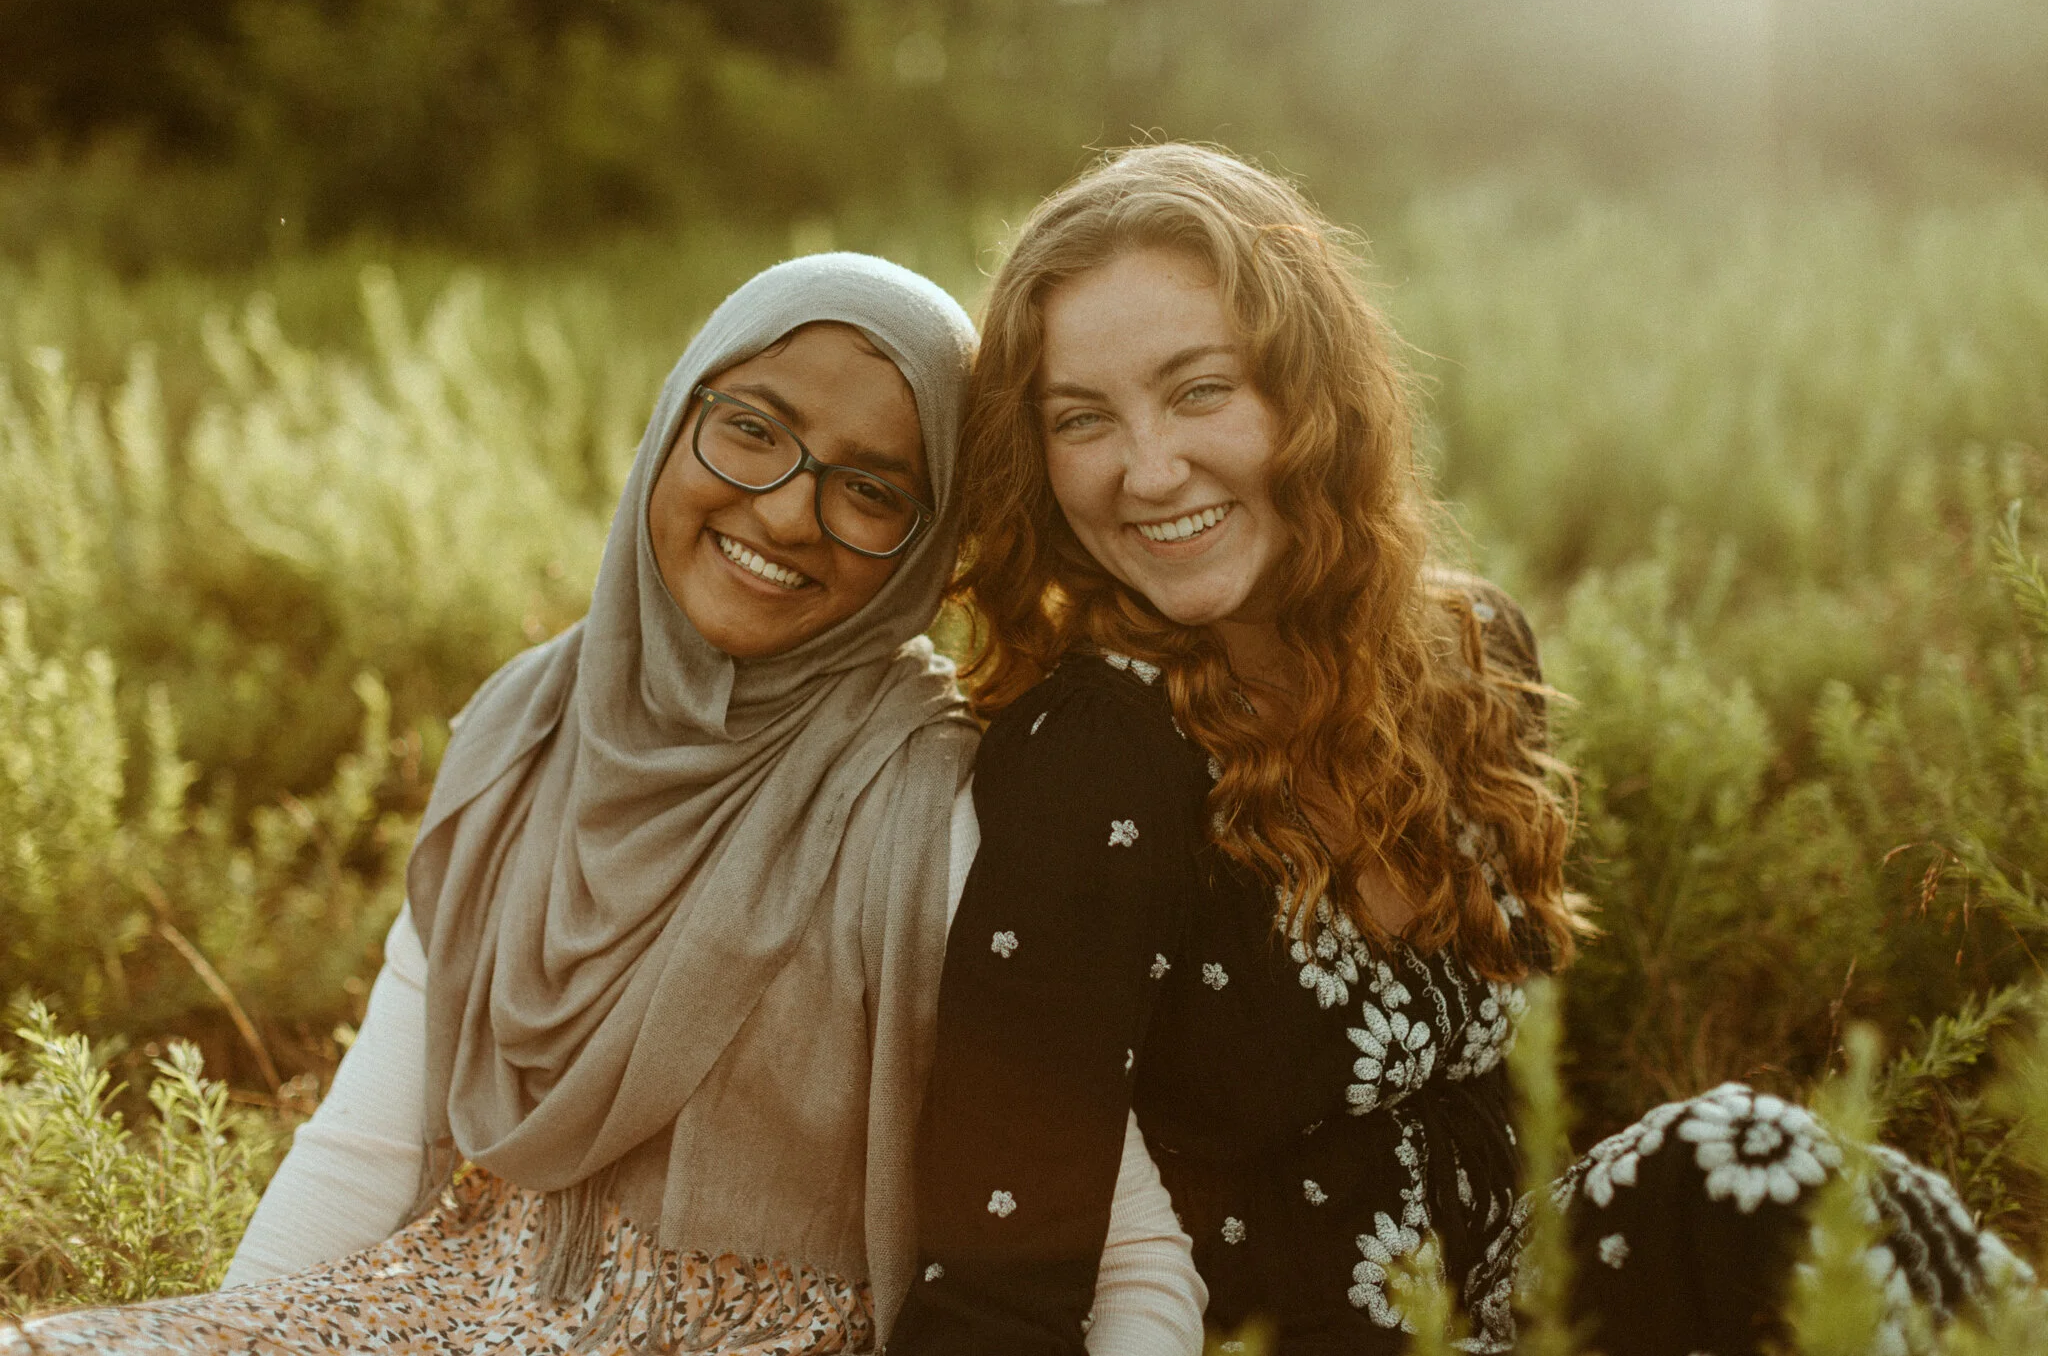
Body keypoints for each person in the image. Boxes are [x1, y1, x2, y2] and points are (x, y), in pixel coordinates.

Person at [887, 145, 2033, 1356]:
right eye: (1082, 419)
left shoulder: (1466, 650)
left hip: (1517, 1297)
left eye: (1199, 390)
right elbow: (1004, 1249)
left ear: (1309, 390)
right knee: (1733, 1156)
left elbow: (1523, 1106)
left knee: (1764, 1186)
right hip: (1294, 1341)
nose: (1148, 467)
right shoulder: (1093, 753)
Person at [5, 254, 1204, 1355]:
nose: (787, 511)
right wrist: (232, 1336)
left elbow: (1134, 1253)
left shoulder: (937, 807)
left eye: (872, 490)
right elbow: (364, 1150)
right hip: (446, 1308)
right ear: (672, 423)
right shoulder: (527, 730)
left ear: (932, 545)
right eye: (750, 430)